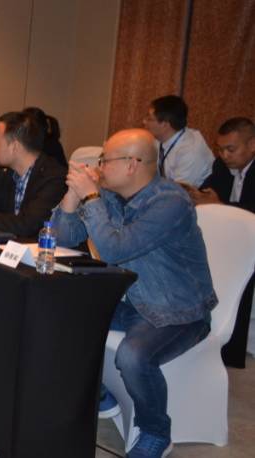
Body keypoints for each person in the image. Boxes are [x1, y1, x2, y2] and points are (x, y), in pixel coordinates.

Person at [51, 129, 216, 458]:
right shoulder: (111, 197)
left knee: (133, 356)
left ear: (132, 164)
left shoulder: (170, 203)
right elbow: (62, 237)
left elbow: (115, 249)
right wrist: (72, 195)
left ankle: (156, 432)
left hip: (179, 311)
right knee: (55, 311)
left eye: (105, 160)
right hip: (132, 300)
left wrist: (91, 198)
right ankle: (101, 395)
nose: (99, 167)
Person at [183, 117, 255, 213]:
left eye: (231, 149)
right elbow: (207, 190)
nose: (224, 156)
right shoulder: (221, 165)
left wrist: (219, 205)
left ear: (252, 145)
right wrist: (196, 195)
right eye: (220, 149)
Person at [142, 95, 214, 186]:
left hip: (190, 193)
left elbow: (179, 191)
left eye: (149, 119)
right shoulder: (160, 138)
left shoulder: (191, 151)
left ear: (165, 124)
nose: (144, 122)